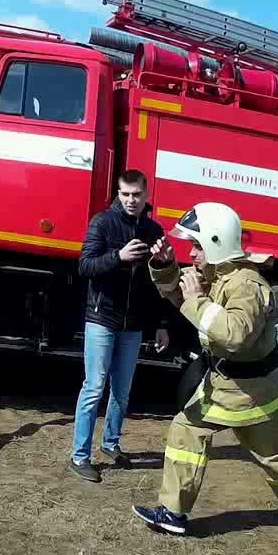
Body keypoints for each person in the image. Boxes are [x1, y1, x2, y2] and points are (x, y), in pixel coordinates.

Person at [132, 202, 278, 543]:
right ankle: (173, 513)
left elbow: (234, 334)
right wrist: (164, 267)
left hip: (257, 394)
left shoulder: (246, 285)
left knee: (273, 459)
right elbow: (184, 299)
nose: (190, 253)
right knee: (185, 429)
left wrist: (197, 301)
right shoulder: (217, 275)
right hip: (227, 386)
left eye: (197, 246)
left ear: (217, 243)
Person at [68, 169, 171, 482]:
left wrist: (164, 262)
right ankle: (79, 457)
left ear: (146, 195)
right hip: (101, 317)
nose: (130, 200)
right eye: (125, 194)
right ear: (118, 193)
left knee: (122, 392)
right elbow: (85, 266)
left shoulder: (154, 230)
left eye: (136, 195)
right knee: (94, 387)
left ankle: (111, 443)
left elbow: (160, 284)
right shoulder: (102, 222)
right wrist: (119, 256)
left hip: (133, 323)